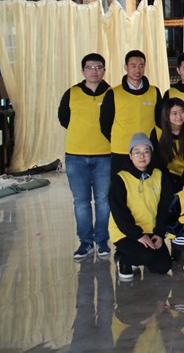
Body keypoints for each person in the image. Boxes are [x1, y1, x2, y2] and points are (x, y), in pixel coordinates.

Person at [59, 53, 112, 261]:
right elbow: (64, 118)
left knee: (103, 201)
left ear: (104, 70)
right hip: (76, 156)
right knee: (81, 202)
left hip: (104, 155)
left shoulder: (111, 93)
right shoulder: (72, 93)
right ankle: (85, 242)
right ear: (83, 71)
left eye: (98, 67)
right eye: (90, 67)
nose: (94, 71)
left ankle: (102, 240)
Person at [108, 133, 172, 281]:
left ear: (151, 154)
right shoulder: (120, 179)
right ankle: (123, 259)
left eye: (146, 151)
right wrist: (138, 235)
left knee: (163, 266)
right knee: (147, 255)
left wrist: (159, 233)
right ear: (130, 156)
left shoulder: (159, 175)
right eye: (137, 152)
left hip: (150, 230)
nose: (142, 156)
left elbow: (165, 207)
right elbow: (119, 212)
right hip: (126, 232)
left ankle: (138, 256)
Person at [100, 49, 162, 173]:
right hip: (121, 151)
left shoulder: (154, 92)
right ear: (126, 67)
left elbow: (160, 120)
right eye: (133, 66)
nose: (137, 70)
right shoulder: (113, 93)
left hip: (147, 151)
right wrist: (118, 140)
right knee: (121, 184)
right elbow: (105, 123)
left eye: (141, 66)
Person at [151, 99, 184, 195]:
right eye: (174, 113)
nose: (179, 116)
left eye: (182, 112)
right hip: (166, 174)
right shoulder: (158, 131)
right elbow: (156, 160)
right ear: (166, 115)